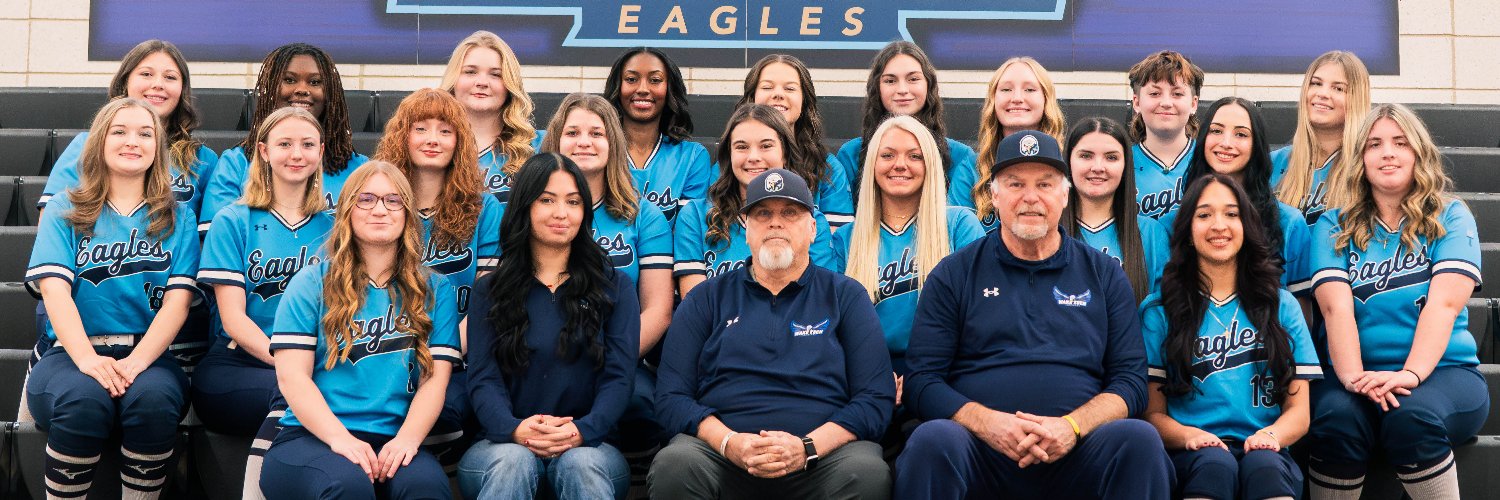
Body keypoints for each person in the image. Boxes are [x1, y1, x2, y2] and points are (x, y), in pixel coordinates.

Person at [894, 131, 1172, 499]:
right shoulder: (955, 273)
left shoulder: (1104, 273)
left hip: (1080, 452)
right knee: (931, 439)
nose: (1030, 197)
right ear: (994, 195)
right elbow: (922, 381)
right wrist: (989, 423)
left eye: (1044, 184)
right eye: (1015, 184)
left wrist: (1071, 427)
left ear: (1064, 195)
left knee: (1137, 440)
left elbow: (1130, 383)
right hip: (981, 452)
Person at [650, 170, 895, 499]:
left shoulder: (845, 295)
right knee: (676, 463)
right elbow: (671, 398)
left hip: (820, 460)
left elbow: (875, 399)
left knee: (866, 473)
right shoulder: (706, 298)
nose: (775, 223)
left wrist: (806, 448)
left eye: (790, 213)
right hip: (724, 458)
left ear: (813, 229)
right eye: (763, 213)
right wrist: (729, 442)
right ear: (746, 229)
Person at [1306, 104, 1489, 500]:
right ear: (1360, 159)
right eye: (1374, 144)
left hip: (1444, 373)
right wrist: (1355, 377)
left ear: (1418, 153)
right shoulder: (1333, 224)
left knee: (1411, 416)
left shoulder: (1451, 216)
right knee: (1336, 419)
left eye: (1400, 142)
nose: (1387, 152)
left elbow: (1443, 305)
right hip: (1351, 374)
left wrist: (1410, 375)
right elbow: (1335, 309)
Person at [25, 98, 201, 499]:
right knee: (83, 400)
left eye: (144, 133)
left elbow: (177, 303)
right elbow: (54, 291)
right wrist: (88, 359)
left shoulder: (179, 217)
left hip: (149, 353)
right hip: (71, 354)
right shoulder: (65, 208)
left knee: (154, 401)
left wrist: (137, 362)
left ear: (158, 146)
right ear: (99, 142)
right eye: (119, 131)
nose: (132, 141)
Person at [260, 161, 459, 499]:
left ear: (408, 214)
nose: (380, 209)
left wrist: (408, 439)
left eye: (393, 201)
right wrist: (341, 439)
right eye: (366, 199)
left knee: (426, 488)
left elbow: (434, 381)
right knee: (347, 485)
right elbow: (292, 378)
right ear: (347, 211)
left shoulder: (436, 290)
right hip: (312, 437)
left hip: (395, 436)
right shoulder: (310, 283)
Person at [458, 153, 640, 500]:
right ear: (525, 206)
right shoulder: (490, 290)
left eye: (573, 202)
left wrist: (581, 431)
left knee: (580, 466)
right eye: (547, 200)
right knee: (514, 462)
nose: (561, 213)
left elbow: (620, 377)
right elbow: (482, 378)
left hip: (592, 446)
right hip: (500, 445)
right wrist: (515, 431)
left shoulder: (614, 287)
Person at [1141, 173, 1323, 500]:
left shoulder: (1282, 305)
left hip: (1266, 445)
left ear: (1247, 226)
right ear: (1187, 230)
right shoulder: (1159, 310)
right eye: (1204, 214)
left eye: (1231, 213)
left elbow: (1300, 412)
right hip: (1191, 451)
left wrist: (1271, 435)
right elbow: (1151, 413)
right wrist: (1187, 435)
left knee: (1265, 468)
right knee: (1214, 466)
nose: (1219, 225)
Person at [375, 88, 506, 471]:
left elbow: (488, 300)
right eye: (421, 128)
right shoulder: (377, 204)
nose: (433, 139)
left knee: (450, 408)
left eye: (445, 131)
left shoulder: (485, 209)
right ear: (403, 136)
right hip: (384, 351)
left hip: (458, 356)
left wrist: (439, 355)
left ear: (460, 142)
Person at [541, 93, 676, 454]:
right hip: (544, 359)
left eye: (596, 133)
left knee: (642, 406)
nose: (584, 141)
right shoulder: (532, 213)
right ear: (555, 141)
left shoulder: (643, 216)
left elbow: (659, 309)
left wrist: (611, 364)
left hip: (620, 356)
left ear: (613, 143)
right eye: (573, 133)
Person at [194, 106, 333, 438]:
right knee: (294, 396)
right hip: (239, 364)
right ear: (264, 151)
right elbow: (234, 321)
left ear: (321, 151)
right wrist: (295, 369)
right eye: (284, 144)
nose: (296, 154)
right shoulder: (233, 219)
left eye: (307, 145)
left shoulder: (337, 226)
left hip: (316, 365)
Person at [834, 115, 985, 376]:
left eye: (915, 156)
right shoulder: (846, 239)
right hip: (867, 373)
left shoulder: (960, 224)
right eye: (888, 155)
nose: (900, 165)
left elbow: (979, 316)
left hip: (945, 369)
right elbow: (837, 331)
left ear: (930, 165)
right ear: (872, 164)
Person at [201, 42, 368, 233]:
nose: (302, 89)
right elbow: (215, 241)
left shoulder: (359, 169)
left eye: (315, 82)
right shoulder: (236, 163)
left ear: (330, 92)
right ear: (271, 88)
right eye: (289, 80)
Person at [39, 39, 218, 216]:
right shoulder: (86, 144)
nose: (158, 84)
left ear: (182, 89)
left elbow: (207, 238)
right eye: (146, 74)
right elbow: (51, 219)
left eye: (170, 77)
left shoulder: (203, 159)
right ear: (126, 81)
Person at [673, 104, 838, 296]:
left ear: (784, 152)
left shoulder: (809, 221)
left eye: (766, 146)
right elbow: (696, 307)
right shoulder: (695, 216)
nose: (753, 157)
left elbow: (817, 300)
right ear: (729, 154)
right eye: (741, 147)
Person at [1175, 97, 1312, 291]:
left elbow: (1302, 312)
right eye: (1216, 131)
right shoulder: (1173, 223)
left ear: (1257, 145)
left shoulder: (1289, 223)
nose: (1226, 143)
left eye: (1241, 134)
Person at [837, 41, 976, 204]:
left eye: (913, 79)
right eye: (890, 81)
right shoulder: (851, 155)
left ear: (928, 85)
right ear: (877, 88)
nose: (902, 89)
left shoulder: (961, 157)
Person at [737, 54, 854, 229]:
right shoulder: (733, 165)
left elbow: (836, 243)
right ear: (752, 97)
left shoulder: (827, 168)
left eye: (790, 89)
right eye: (767, 87)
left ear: (804, 100)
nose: (778, 94)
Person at [1063, 117, 1170, 301]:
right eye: (1085, 156)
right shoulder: (1048, 231)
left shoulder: (1151, 234)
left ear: (1125, 166)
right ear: (1069, 161)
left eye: (1111, 157)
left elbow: (1161, 314)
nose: (1098, 167)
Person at [604, 47, 713, 223]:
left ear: (670, 88)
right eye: (631, 79)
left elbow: (687, 230)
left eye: (655, 80)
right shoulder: (598, 149)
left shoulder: (691, 156)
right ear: (618, 86)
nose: (642, 89)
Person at [1272, 51, 1372, 227]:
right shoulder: (1272, 163)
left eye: (1338, 88)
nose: (1323, 93)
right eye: (1316, 83)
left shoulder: (1368, 168)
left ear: (1356, 99)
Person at [438, 30, 539, 201]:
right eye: (470, 72)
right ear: (453, 80)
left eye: (495, 74)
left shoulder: (538, 146)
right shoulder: (429, 145)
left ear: (510, 84)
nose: (482, 83)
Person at [967, 57, 1066, 227]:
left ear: (1046, 99)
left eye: (1029, 89)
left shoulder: (1069, 163)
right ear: (993, 100)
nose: (1017, 98)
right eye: (1006, 89)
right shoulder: (970, 167)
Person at [1129, 50, 1204, 221]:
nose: (1166, 103)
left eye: (1177, 94)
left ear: (1194, 104)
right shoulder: (1120, 163)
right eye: (1155, 93)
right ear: (1137, 102)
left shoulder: (1210, 160)